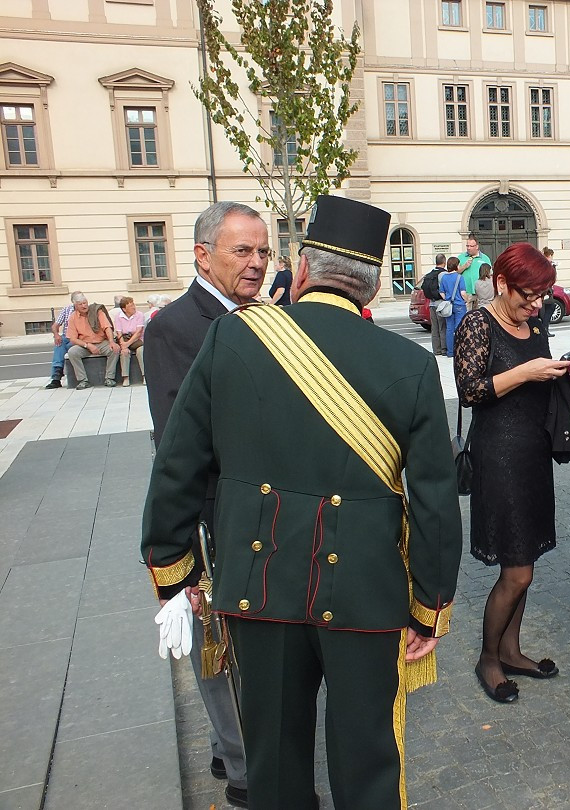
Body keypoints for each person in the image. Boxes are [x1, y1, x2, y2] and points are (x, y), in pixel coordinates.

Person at [142, 195, 461, 810]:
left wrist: (171, 567)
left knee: (275, 764)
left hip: (257, 586)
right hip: (368, 593)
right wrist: (430, 604)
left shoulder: (232, 337)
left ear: (303, 268)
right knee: (367, 758)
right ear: (369, 290)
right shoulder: (413, 365)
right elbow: (435, 506)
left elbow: (178, 463)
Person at [142, 200, 266, 808]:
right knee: (218, 645)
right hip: (211, 516)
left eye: (263, 251)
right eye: (242, 251)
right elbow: (176, 440)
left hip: (253, 510)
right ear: (203, 255)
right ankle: (245, 771)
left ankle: (230, 747)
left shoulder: (260, 317)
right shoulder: (174, 327)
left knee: (247, 648)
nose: (257, 263)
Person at [454, 242, 570, 704]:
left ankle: (511, 649)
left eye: (543, 296)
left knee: (524, 557)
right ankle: (488, 658)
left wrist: (568, 370)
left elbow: (540, 382)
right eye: (527, 295)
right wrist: (527, 371)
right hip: (499, 457)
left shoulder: (535, 322)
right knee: (518, 571)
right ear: (501, 283)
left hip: (532, 455)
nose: (536, 304)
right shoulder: (477, 323)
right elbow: (469, 390)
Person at [65, 293, 118, 389]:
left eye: (85, 303)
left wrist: (111, 341)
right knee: (72, 352)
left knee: (114, 349)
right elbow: (72, 338)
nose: (84, 306)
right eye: (80, 304)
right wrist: (88, 345)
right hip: (85, 344)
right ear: (75, 306)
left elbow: (107, 327)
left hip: (101, 342)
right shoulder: (73, 317)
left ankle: (109, 378)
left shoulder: (97, 312)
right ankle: (83, 380)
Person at [44, 292, 79, 389]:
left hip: (77, 337)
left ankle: (60, 374)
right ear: (73, 302)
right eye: (78, 301)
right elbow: (55, 325)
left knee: (69, 346)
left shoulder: (85, 310)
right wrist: (56, 335)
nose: (81, 304)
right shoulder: (67, 309)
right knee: (59, 345)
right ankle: (56, 377)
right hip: (65, 336)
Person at [113, 296, 146, 386]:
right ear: (124, 309)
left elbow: (139, 332)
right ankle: (126, 377)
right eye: (130, 306)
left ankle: (145, 375)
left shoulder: (139, 315)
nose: (133, 307)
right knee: (124, 353)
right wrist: (123, 344)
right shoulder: (118, 317)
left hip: (138, 340)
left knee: (141, 351)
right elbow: (119, 332)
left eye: (133, 305)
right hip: (124, 339)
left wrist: (127, 344)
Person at [440, 255, 468, 357]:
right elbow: (463, 293)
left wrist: (448, 298)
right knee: (459, 328)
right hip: (459, 305)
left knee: (449, 328)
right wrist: (467, 300)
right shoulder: (460, 278)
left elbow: (442, 293)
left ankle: (450, 352)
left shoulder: (444, 277)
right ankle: (459, 350)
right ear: (456, 266)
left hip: (449, 305)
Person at [424, 253, 448, 356]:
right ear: (444, 262)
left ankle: (436, 350)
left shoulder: (429, 274)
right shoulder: (443, 274)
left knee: (434, 328)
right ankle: (444, 349)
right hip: (441, 304)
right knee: (442, 327)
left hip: (431, 304)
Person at [457, 235, 492, 304]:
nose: (468, 248)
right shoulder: (461, 257)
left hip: (481, 293)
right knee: (468, 314)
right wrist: (464, 266)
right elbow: (455, 273)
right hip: (467, 292)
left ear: (477, 246)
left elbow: (490, 274)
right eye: (467, 246)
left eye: (471, 246)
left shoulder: (485, 258)